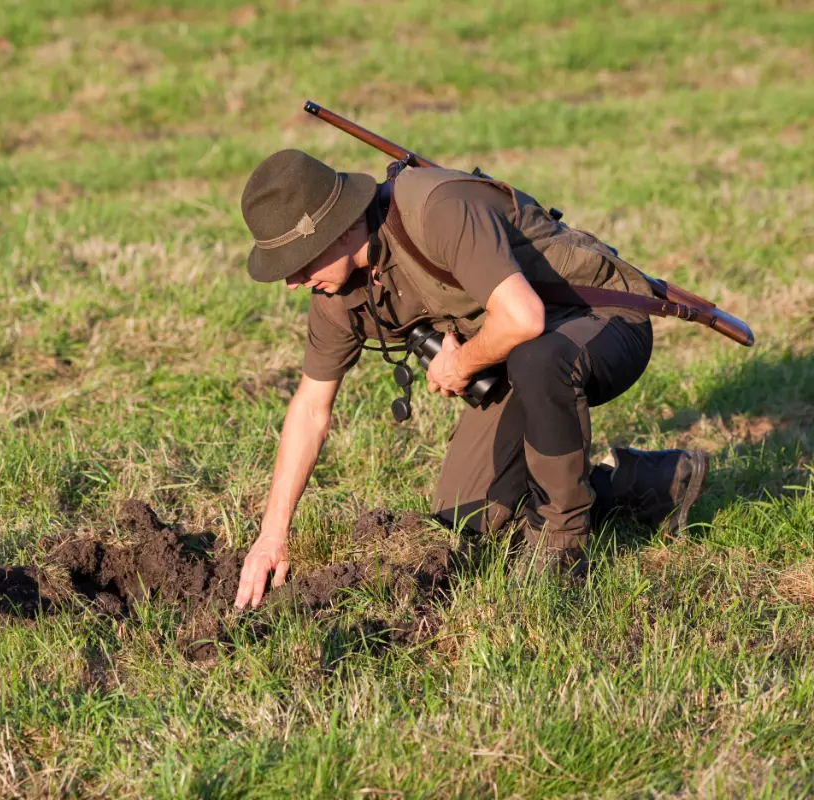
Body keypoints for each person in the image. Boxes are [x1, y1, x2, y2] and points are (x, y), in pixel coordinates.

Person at [233, 149, 709, 610]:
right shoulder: (336, 297)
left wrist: (461, 365)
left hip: (600, 317)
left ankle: (561, 549)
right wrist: (272, 535)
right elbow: (311, 408)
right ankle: (654, 483)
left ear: (336, 228)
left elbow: (523, 319)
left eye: (298, 262)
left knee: (539, 358)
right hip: (514, 357)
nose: (292, 282)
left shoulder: (436, 209)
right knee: (467, 518)